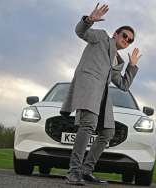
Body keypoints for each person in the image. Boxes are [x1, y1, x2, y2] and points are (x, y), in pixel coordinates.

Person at [60, 3, 141, 186]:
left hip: (102, 98)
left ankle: (87, 170)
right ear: (116, 34)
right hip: (88, 89)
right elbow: (81, 32)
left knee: (108, 131)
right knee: (87, 126)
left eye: (130, 40)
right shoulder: (101, 37)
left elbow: (123, 85)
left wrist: (132, 66)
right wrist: (89, 20)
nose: (126, 40)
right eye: (125, 36)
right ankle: (73, 172)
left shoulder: (118, 61)